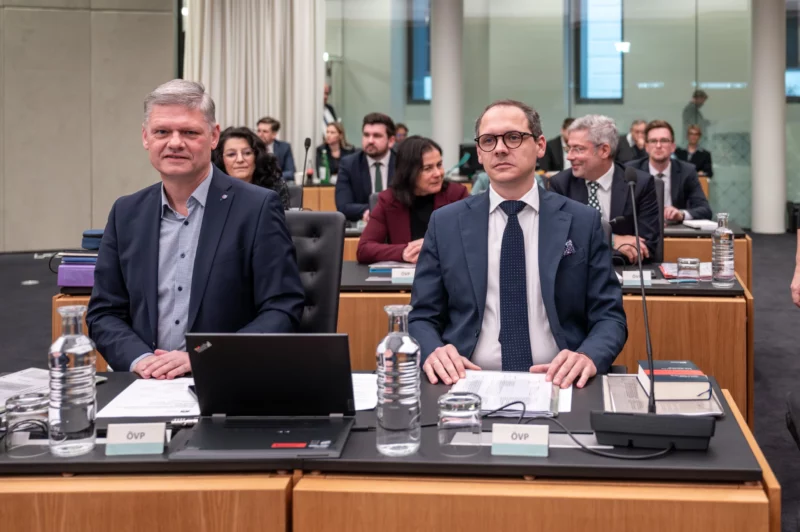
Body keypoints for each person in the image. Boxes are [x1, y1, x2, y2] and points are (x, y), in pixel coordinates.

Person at [86, 79, 305, 377]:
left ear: (214, 136)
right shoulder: (126, 213)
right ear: (145, 137)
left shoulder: (257, 208)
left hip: (228, 379)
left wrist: (203, 356)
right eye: (162, 131)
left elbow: (282, 309)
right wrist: (140, 360)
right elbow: (104, 313)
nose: (175, 143)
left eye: (189, 132)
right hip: (144, 383)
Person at [409, 100, 627, 389]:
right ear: (479, 152)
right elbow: (422, 316)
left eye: (513, 137)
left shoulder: (583, 221)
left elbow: (609, 316)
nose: (500, 148)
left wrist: (588, 355)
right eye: (488, 140)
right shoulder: (446, 223)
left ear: (539, 146)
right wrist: (434, 351)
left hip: (560, 379)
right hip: (465, 380)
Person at [549, 115, 660, 264]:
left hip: (624, 271)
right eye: (568, 148)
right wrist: (612, 239)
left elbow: (647, 245)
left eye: (578, 149)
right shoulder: (561, 184)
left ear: (604, 150)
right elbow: (557, 241)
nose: (569, 157)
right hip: (576, 273)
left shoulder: (638, 183)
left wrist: (589, 244)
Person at [356, 136, 469, 264]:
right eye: (428, 168)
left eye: (439, 165)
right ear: (409, 172)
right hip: (405, 281)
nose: (438, 173)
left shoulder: (457, 195)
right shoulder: (389, 200)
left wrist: (436, 249)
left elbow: (474, 240)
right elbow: (364, 249)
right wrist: (404, 251)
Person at [625, 120, 711, 222]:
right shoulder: (632, 171)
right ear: (646, 147)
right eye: (653, 141)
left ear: (673, 147)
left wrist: (681, 214)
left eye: (664, 140)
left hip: (676, 232)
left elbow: (705, 210)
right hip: (641, 232)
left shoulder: (687, 171)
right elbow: (620, 208)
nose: (658, 146)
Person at [335, 112, 397, 222]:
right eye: (366, 135)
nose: (370, 141)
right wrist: (375, 211)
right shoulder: (349, 164)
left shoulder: (402, 163)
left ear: (391, 141)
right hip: (363, 227)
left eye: (377, 136)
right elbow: (343, 206)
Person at [212, 126, 291, 209]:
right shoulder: (212, 189)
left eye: (247, 153)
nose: (240, 160)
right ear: (221, 159)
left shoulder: (275, 187)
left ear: (257, 156)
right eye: (231, 154)